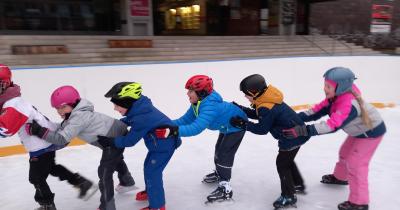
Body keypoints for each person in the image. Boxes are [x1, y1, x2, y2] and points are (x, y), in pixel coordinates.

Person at [282, 67, 386, 210]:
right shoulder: (336, 96)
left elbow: (332, 126)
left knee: (356, 164)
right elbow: (317, 110)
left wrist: (303, 130)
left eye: (328, 86)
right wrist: (295, 118)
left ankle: (360, 202)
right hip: (358, 132)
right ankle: (341, 177)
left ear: (341, 86)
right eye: (325, 84)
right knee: (344, 153)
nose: (324, 88)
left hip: (371, 134)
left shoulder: (348, 103)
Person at [26, 85, 136, 210]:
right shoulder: (74, 115)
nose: (60, 111)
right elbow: (63, 129)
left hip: (114, 139)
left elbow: (62, 138)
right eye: (57, 108)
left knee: (104, 171)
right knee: (115, 160)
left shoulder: (78, 117)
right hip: (114, 134)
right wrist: (44, 127)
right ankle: (127, 181)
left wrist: (40, 131)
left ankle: (107, 206)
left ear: (74, 103)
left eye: (63, 107)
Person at [0, 64, 94, 210]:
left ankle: (47, 205)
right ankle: (81, 182)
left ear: (4, 84)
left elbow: (5, 130)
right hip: (44, 143)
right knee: (51, 168)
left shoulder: (15, 103)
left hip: (41, 145)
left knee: (36, 178)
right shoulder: (11, 101)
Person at [155, 75, 247, 203]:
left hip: (236, 127)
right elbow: (185, 120)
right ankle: (219, 173)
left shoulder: (209, 106)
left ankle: (225, 186)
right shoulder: (198, 103)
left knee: (224, 153)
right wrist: (166, 124)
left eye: (191, 91)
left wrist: (173, 132)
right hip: (225, 127)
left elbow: (196, 127)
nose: (187, 93)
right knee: (218, 150)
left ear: (201, 92)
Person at [229, 74, 310, 209]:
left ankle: (289, 196)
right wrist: (242, 109)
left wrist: (244, 124)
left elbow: (262, 128)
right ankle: (297, 184)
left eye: (246, 94)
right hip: (300, 133)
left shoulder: (265, 106)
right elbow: (260, 115)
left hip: (291, 137)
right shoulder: (267, 98)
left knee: (282, 164)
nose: (244, 97)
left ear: (254, 92)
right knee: (287, 161)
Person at [96, 82, 181, 210]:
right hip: (157, 146)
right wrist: (118, 123)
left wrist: (111, 141)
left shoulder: (142, 117)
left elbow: (130, 141)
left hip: (164, 146)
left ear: (127, 102)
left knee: (153, 172)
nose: (115, 108)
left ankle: (157, 206)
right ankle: (150, 192)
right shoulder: (139, 109)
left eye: (117, 105)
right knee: (148, 168)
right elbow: (131, 119)